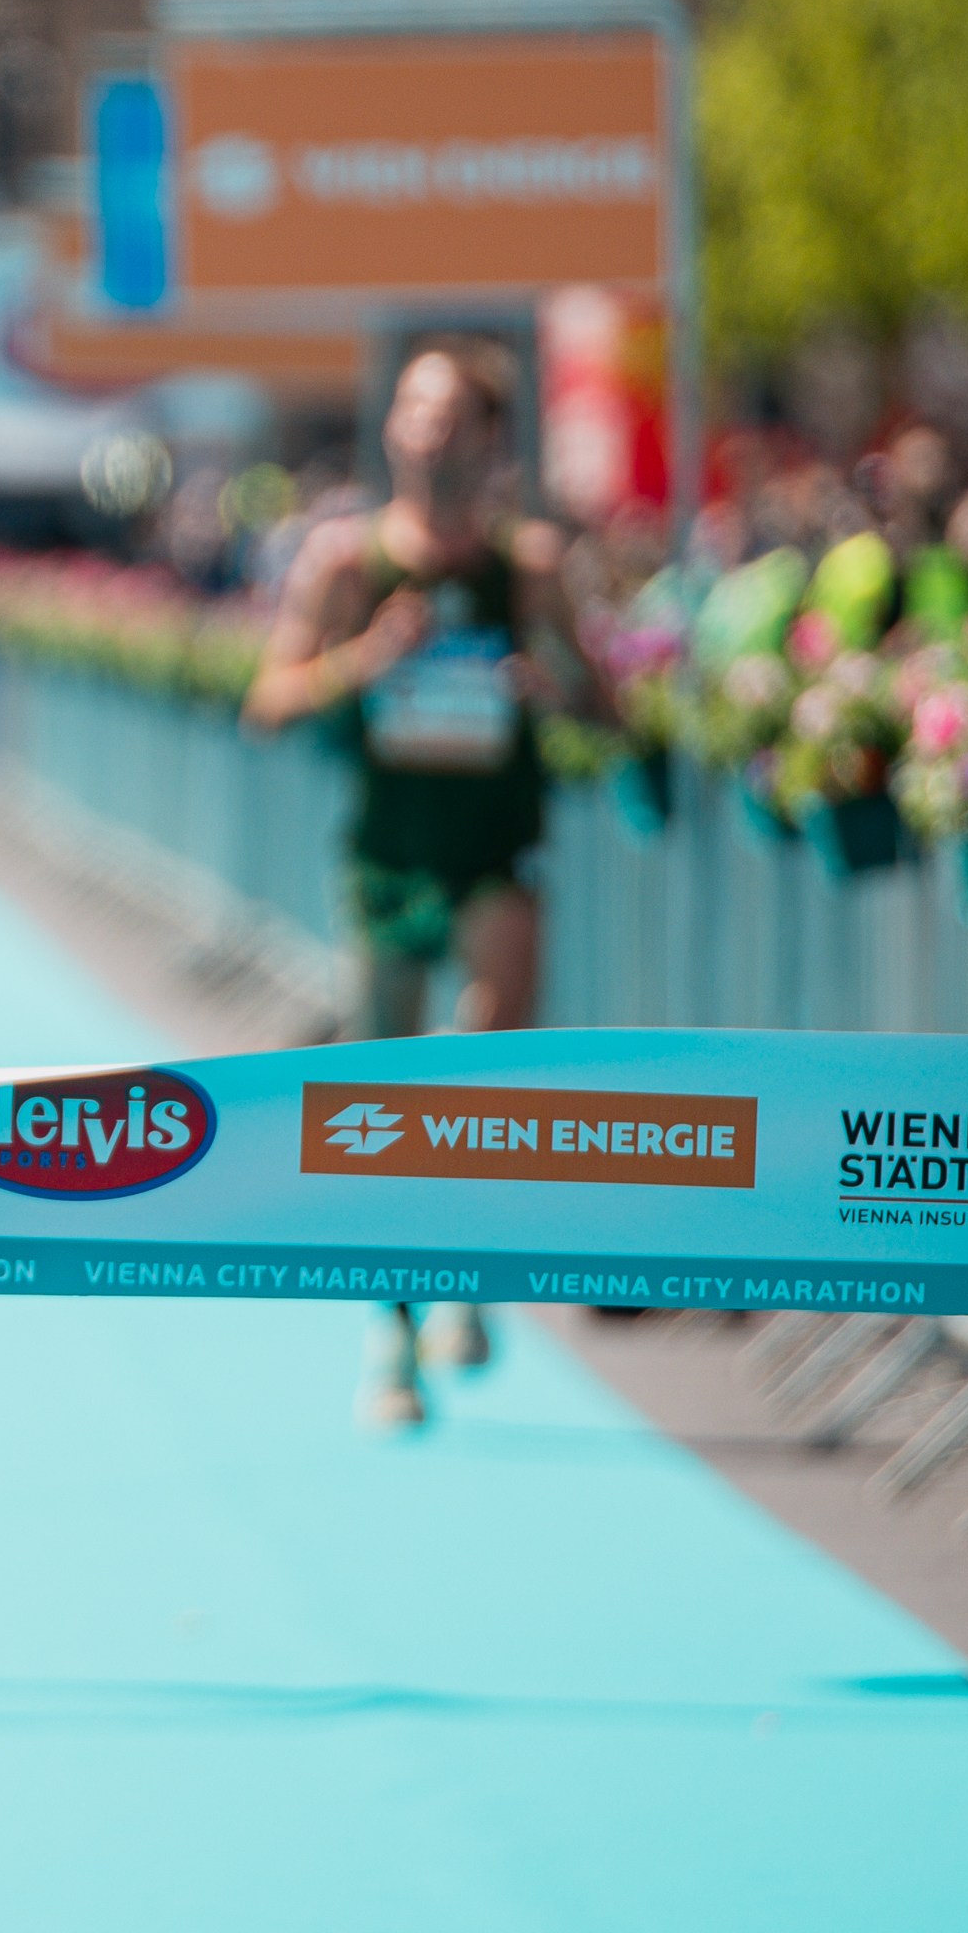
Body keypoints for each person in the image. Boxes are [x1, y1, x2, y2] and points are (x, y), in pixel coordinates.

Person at [241, 343, 584, 1427]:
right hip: (389, 853)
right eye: (414, 410)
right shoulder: (345, 562)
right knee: (381, 1101)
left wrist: (552, 681)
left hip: (494, 844)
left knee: (484, 1075)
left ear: (490, 438)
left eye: (452, 416)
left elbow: (605, 705)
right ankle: (389, 1331)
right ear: (392, 430)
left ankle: (468, 1273)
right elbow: (270, 700)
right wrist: (369, 659)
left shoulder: (528, 567)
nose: (430, 431)